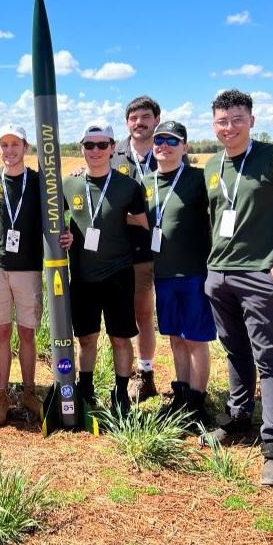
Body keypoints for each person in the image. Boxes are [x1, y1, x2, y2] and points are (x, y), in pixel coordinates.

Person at [200, 89, 273, 487]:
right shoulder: (212, 166)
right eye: (221, 121)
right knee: (235, 350)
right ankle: (237, 417)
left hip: (261, 277)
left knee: (269, 357)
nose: (229, 127)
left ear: (251, 120)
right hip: (219, 276)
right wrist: (211, 272)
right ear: (213, 124)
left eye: (236, 119)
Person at [0, 124, 73, 425]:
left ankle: (29, 391)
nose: (9, 150)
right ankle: (3, 394)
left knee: (27, 333)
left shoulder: (38, 181)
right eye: (3, 145)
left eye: (15, 144)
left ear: (26, 148)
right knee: (1, 331)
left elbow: (58, 215)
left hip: (29, 268)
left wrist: (65, 233)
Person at [63, 123, 149, 416]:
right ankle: (85, 390)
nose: (96, 151)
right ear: (82, 149)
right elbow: (55, 222)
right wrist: (67, 232)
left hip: (118, 275)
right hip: (83, 277)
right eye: (90, 145)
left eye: (103, 145)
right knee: (86, 338)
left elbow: (144, 222)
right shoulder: (70, 184)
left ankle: (121, 393)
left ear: (113, 147)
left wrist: (119, 221)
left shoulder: (128, 186)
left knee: (120, 338)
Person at [142, 121, 215, 424]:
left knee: (196, 338)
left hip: (194, 273)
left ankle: (198, 402)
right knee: (174, 337)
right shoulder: (145, 183)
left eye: (173, 141)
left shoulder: (199, 179)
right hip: (163, 275)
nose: (164, 146)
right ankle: (181, 395)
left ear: (185, 148)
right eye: (159, 140)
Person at [113, 96, 162, 402]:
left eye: (145, 117)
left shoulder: (168, 149)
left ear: (156, 119)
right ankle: (134, 374)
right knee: (136, 312)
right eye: (133, 118)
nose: (139, 122)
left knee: (157, 315)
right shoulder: (114, 154)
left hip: (165, 247)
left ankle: (146, 373)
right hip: (127, 249)